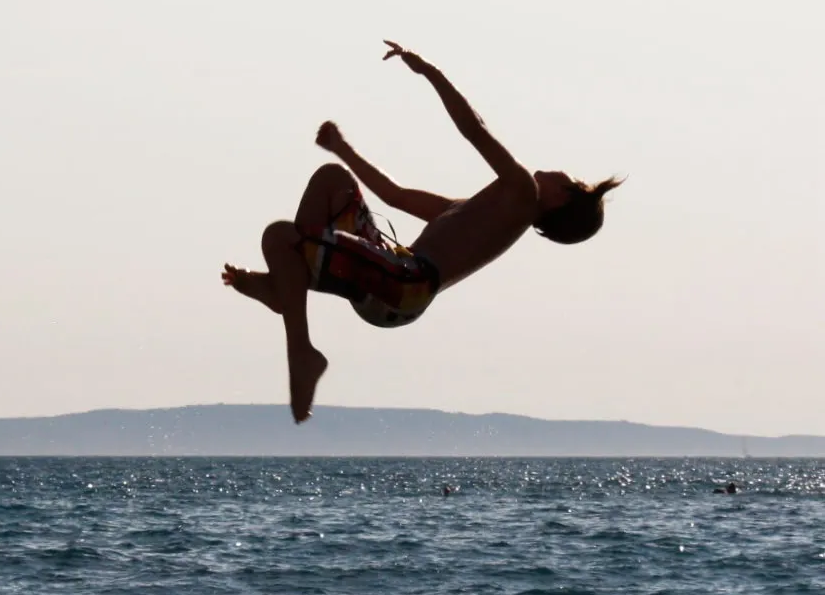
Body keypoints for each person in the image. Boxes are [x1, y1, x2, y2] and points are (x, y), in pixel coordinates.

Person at [222, 41, 621, 423]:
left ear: (563, 198)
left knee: (279, 238)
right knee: (332, 180)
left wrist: (429, 72)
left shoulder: (522, 190)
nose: (554, 170)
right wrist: (342, 150)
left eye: (567, 177)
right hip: (394, 278)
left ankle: (301, 350)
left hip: (406, 282)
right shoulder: (466, 212)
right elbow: (393, 196)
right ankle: (287, 289)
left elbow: (474, 128)